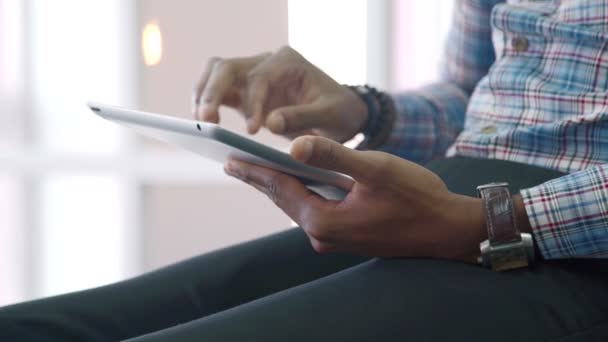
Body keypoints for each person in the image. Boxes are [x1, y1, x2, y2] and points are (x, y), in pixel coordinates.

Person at [2, 0, 608, 340]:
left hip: (570, 240)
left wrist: (486, 223)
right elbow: (474, 96)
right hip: (461, 194)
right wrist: (364, 108)